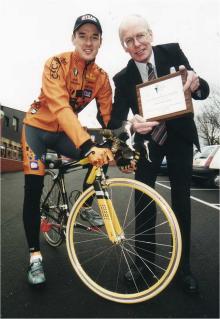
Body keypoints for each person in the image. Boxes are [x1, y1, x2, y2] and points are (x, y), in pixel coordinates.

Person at [108, 14, 210, 293]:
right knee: (142, 201)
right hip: (148, 142)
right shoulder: (123, 77)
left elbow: (201, 90)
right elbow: (115, 124)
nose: (137, 44)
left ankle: (183, 268)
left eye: (140, 36)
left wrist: (195, 82)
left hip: (179, 138)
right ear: (124, 47)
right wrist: (131, 124)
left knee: (181, 203)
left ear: (150, 35)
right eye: (129, 40)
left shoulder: (172, 52)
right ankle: (144, 264)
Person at [21, 13, 113, 285]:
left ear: (100, 42)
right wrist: (86, 144)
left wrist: (112, 143)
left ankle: (84, 206)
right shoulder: (56, 63)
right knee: (33, 190)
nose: (88, 42)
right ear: (73, 38)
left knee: (102, 156)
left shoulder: (101, 78)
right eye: (82, 35)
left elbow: (107, 116)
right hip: (36, 129)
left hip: (63, 133)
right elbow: (60, 106)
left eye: (94, 37)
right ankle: (34, 256)